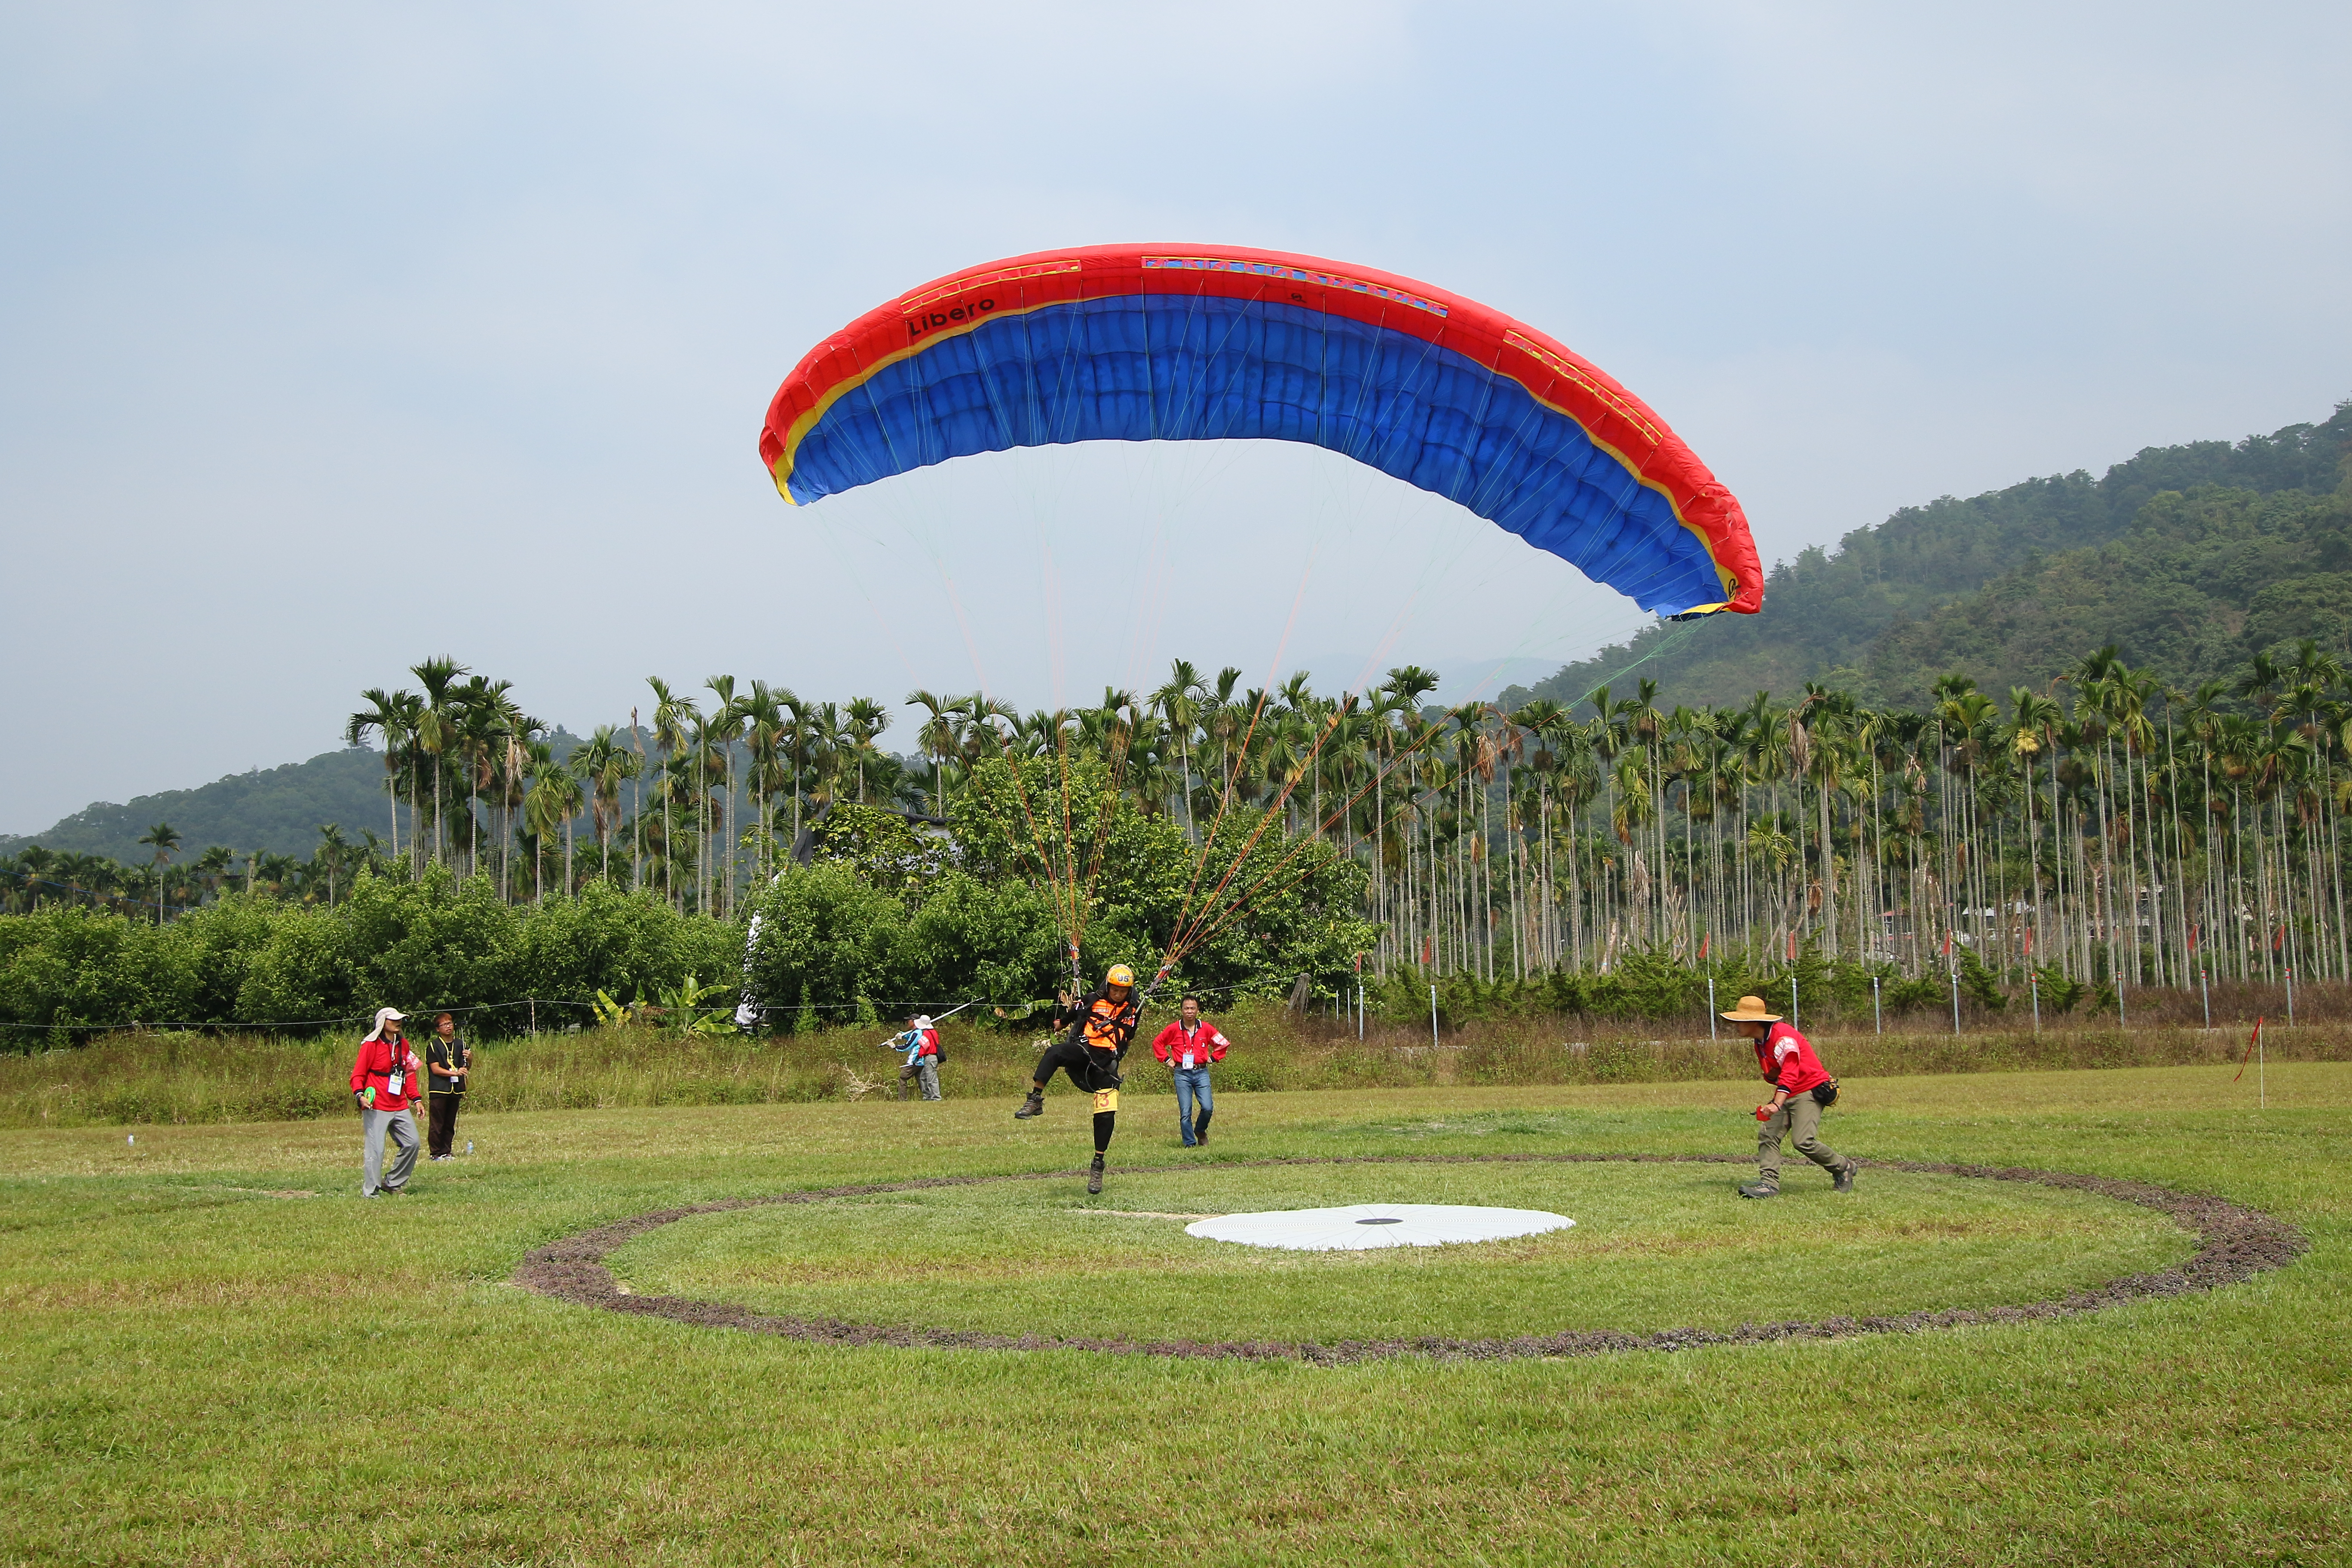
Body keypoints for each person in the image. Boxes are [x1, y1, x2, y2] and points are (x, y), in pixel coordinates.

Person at [1013, 964, 1145, 1194]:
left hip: (1105, 1065)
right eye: (1115, 989)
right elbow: (1072, 1014)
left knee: (1106, 1113)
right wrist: (1060, 1024)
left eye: (1123, 991)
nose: (1118, 994)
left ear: (1129, 991)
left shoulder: (1133, 1009)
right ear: (1108, 986)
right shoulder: (1092, 1000)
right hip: (1083, 1053)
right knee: (1055, 1052)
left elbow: (1129, 1037)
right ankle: (1035, 1099)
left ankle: (1098, 1163)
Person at [1720, 994, 1856, 1199]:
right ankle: (1769, 1185)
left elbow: (1791, 1071)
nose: (1735, 1025)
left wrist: (1777, 1103)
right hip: (1789, 1091)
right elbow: (1776, 1074)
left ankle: (1843, 1167)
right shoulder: (1760, 1041)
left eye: (1739, 1021)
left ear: (1754, 1021)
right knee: (1768, 1134)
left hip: (1809, 1090)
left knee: (1803, 1141)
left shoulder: (1782, 1036)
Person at [350, 1007, 423, 1197]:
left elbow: (409, 1073)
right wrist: (360, 1096)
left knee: (413, 1143)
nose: (398, 1023)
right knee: (376, 1150)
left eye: (400, 1020)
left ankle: (392, 1183)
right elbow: (357, 1075)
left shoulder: (403, 1044)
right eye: (393, 1020)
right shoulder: (370, 1045)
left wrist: (416, 1099)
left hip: (399, 1103)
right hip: (377, 1105)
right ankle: (371, 1192)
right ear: (383, 1023)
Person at [1150, 995, 1228, 1148]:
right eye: (1186, 1008)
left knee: (1207, 1107)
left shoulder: (1206, 1028)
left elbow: (1223, 1043)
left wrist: (1214, 1058)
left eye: (1193, 1008)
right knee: (1185, 1111)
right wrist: (1167, 1060)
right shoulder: (1173, 1029)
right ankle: (1190, 1143)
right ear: (1182, 1010)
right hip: (1182, 1073)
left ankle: (1200, 1130)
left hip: (1201, 1072)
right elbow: (1158, 1043)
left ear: (1198, 1010)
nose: (1190, 1012)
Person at [424, 1011, 472, 1160]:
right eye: (444, 1025)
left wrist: (470, 1059)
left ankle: (447, 1151)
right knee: (437, 1122)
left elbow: (465, 1068)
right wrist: (454, 1074)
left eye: (450, 1023)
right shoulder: (433, 1046)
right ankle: (436, 1152)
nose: (448, 1027)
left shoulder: (460, 1044)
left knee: (450, 1121)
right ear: (438, 1029)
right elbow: (435, 1069)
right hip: (439, 1088)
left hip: (455, 1088)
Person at [891, 1014, 942, 1101]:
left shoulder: (925, 1034)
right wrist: (902, 1034)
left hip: (926, 1058)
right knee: (922, 1078)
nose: (907, 1023)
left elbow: (923, 1047)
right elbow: (913, 1036)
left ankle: (935, 1098)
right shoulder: (932, 1032)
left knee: (930, 1079)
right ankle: (927, 1098)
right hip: (928, 1058)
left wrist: (918, 1057)